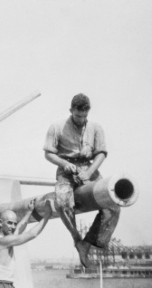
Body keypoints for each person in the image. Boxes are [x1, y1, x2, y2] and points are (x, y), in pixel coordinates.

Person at [43, 93, 121, 268]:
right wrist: (64, 163)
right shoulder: (56, 127)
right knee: (63, 203)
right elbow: (48, 153)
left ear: (88, 112)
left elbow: (101, 153)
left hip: (89, 168)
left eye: (84, 116)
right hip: (66, 170)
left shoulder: (96, 128)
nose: (81, 119)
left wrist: (90, 172)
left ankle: (87, 244)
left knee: (113, 203)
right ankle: (77, 239)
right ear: (71, 111)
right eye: (78, 116)